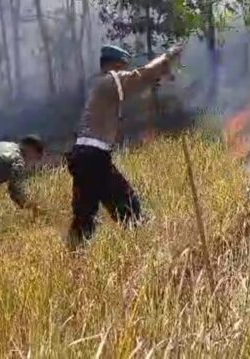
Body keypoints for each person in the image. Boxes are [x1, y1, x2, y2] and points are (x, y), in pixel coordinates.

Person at [66, 44, 183, 250]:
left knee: (84, 215)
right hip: (94, 156)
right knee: (129, 207)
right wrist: (167, 57)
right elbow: (141, 76)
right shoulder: (112, 79)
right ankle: (146, 249)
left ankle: (73, 256)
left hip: (83, 156)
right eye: (124, 66)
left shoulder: (100, 85)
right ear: (116, 64)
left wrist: (158, 76)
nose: (126, 70)